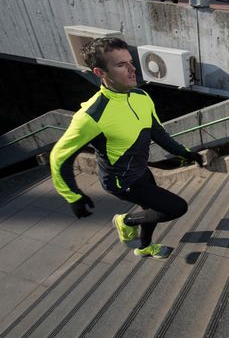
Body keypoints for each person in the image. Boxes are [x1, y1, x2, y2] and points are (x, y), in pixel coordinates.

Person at [50, 37, 203, 259]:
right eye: (120, 65)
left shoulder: (141, 95)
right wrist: (72, 196)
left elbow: (157, 131)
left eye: (130, 62)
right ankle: (124, 221)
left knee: (149, 211)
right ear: (100, 72)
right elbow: (58, 157)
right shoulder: (92, 116)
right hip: (121, 182)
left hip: (141, 170)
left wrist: (184, 153)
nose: (132, 69)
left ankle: (144, 248)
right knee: (176, 208)